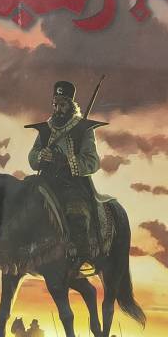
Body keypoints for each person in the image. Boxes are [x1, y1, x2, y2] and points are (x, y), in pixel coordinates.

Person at [26, 81, 107, 264]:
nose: (57, 109)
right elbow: (32, 156)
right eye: (55, 104)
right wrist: (40, 156)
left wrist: (62, 160)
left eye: (62, 105)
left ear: (71, 106)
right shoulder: (46, 129)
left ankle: (81, 257)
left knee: (76, 211)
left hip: (72, 184)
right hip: (46, 181)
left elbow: (92, 162)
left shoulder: (83, 129)